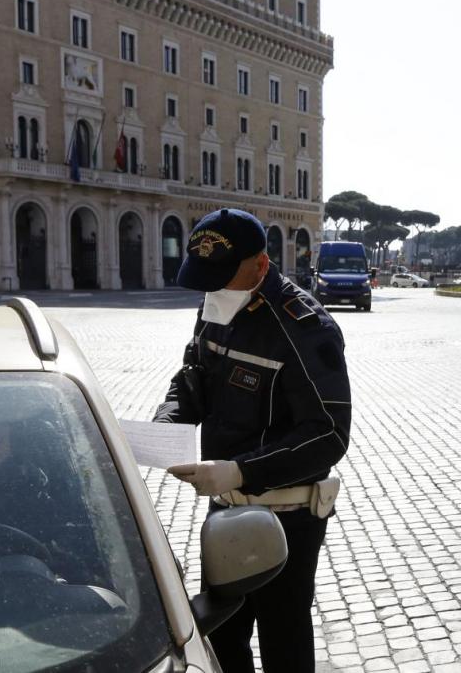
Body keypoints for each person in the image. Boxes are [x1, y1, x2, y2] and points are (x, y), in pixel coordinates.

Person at [154, 209, 350, 673]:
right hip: (225, 504)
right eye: (205, 280)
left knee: (283, 637)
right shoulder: (217, 303)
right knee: (224, 633)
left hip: (287, 515)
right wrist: (167, 423)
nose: (211, 291)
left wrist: (242, 471)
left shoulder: (305, 329)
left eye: (222, 278)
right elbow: (194, 377)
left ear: (261, 266)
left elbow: (328, 435)